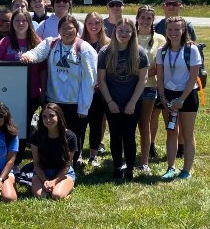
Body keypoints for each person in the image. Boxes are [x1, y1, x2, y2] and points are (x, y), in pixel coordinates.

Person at [21, 15, 98, 167]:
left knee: (73, 134)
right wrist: (27, 56)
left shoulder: (84, 48)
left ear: (77, 29)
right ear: (58, 30)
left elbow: (90, 79)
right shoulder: (51, 43)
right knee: (51, 132)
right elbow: (37, 53)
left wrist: (84, 105)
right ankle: (52, 161)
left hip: (74, 101)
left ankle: (71, 163)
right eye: (63, 28)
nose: (66, 31)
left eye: (70, 28)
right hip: (53, 100)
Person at [98, 18, 149, 180]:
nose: (124, 34)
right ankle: (117, 167)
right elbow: (101, 80)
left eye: (128, 31)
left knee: (129, 135)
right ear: (114, 32)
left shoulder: (139, 52)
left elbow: (143, 80)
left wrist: (133, 102)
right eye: (120, 30)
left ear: (133, 33)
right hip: (112, 101)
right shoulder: (105, 52)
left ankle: (130, 170)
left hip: (132, 102)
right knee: (115, 134)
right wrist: (110, 102)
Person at [154, 0, 198, 160]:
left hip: (186, 88)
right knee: (169, 125)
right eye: (168, 3)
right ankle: (165, 156)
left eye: (175, 4)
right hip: (165, 87)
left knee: (186, 127)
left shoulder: (189, 29)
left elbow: (195, 56)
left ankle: (183, 152)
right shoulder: (157, 27)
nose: (171, 7)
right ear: (163, 6)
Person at [157, 16, 201, 180]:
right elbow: (160, 77)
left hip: (188, 95)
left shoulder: (191, 50)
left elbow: (193, 77)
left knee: (187, 134)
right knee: (171, 132)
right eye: (170, 29)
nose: (173, 33)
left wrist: (181, 99)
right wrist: (162, 97)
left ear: (183, 31)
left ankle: (186, 170)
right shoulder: (162, 51)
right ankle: (171, 167)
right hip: (168, 96)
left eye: (177, 29)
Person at [0, 10, 44, 119]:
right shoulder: (5, 41)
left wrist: (43, 91)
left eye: (24, 20)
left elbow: (43, 69)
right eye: (17, 21)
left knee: (27, 127)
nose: (20, 23)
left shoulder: (38, 43)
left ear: (29, 22)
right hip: (8, 92)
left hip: (31, 92)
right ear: (12, 23)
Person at [136, 5, 166, 172]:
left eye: (149, 18)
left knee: (144, 125)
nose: (146, 21)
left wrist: (145, 75)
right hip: (130, 88)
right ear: (138, 18)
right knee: (129, 124)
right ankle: (128, 156)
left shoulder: (160, 39)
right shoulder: (130, 36)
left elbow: (159, 65)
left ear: (153, 20)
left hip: (149, 87)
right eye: (143, 17)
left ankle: (144, 161)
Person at [28, 103, 77, 199]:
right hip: (42, 172)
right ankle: (60, 188)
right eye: (44, 117)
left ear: (59, 116)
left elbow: (67, 164)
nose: (48, 120)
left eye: (51, 116)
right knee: (42, 196)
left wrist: (54, 181)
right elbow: (36, 163)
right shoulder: (36, 136)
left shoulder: (70, 137)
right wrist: (44, 180)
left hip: (63, 173)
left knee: (57, 195)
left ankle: (67, 187)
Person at [81, 12, 110, 166]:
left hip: (99, 90)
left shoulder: (108, 44)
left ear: (102, 25)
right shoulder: (78, 43)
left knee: (96, 123)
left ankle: (93, 155)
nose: (93, 26)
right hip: (81, 90)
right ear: (85, 25)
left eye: (97, 23)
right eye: (90, 23)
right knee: (80, 123)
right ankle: (77, 154)